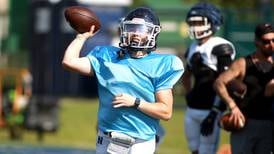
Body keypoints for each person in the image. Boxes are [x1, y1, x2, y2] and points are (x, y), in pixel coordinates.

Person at [62, 7, 184, 154]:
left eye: (142, 29)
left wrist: (136, 102)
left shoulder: (162, 64)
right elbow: (69, 61)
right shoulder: (107, 56)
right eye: (132, 28)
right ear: (124, 30)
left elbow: (165, 112)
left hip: (140, 142)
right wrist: (81, 37)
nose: (136, 34)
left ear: (153, 33)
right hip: (107, 138)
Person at [182, 2, 236, 154]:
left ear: (212, 23)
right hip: (193, 107)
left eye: (199, 22)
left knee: (207, 150)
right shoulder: (192, 47)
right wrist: (188, 93)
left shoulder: (220, 47)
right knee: (194, 148)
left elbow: (224, 81)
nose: (195, 27)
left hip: (210, 107)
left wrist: (215, 111)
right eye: (192, 23)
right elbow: (187, 75)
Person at [214, 22, 274, 154]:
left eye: (273, 40)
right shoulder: (243, 63)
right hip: (245, 124)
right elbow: (219, 83)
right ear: (257, 41)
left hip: (268, 126)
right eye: (266, 41)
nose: (271, 45)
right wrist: (232, 106)